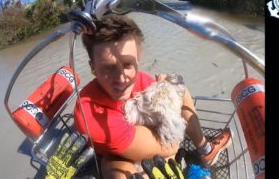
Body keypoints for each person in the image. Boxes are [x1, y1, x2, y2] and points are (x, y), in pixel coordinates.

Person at [73, 14, 232, 179]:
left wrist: (168, 89)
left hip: (157, 137)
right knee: (114, 166)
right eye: (108, 68)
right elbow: (169, 146)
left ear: (138, 59)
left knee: (178, 88)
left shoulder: (142, 79)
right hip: (132, 156)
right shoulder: (91, 115)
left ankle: (205, 150)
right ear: (93, 67)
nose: (121, 78)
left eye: (128, 64)